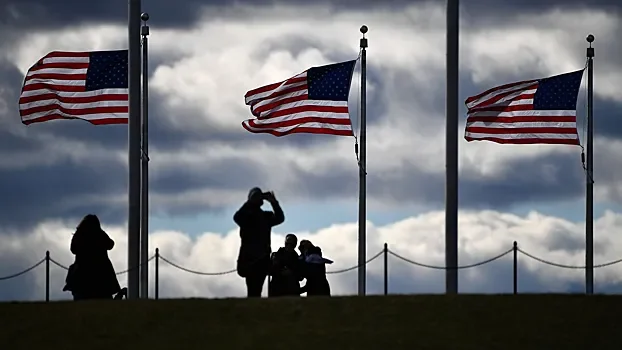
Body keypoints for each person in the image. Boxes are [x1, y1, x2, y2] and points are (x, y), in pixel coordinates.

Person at [234, 187, 285, 297]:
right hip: (250, 258)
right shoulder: (247, 217)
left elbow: (280, 218)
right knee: (253, 289)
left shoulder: (265, 216)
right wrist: (250, 202)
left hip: (261, 258)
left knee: (255, 289)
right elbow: (237, 217)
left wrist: (273, 202)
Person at [63, 214, 126, 300]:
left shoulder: (79, 234)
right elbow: (110, 244)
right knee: (103, 298)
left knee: (82, 298)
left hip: (82, 272)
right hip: (100, 272)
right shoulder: (99, 234)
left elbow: (73, 249)